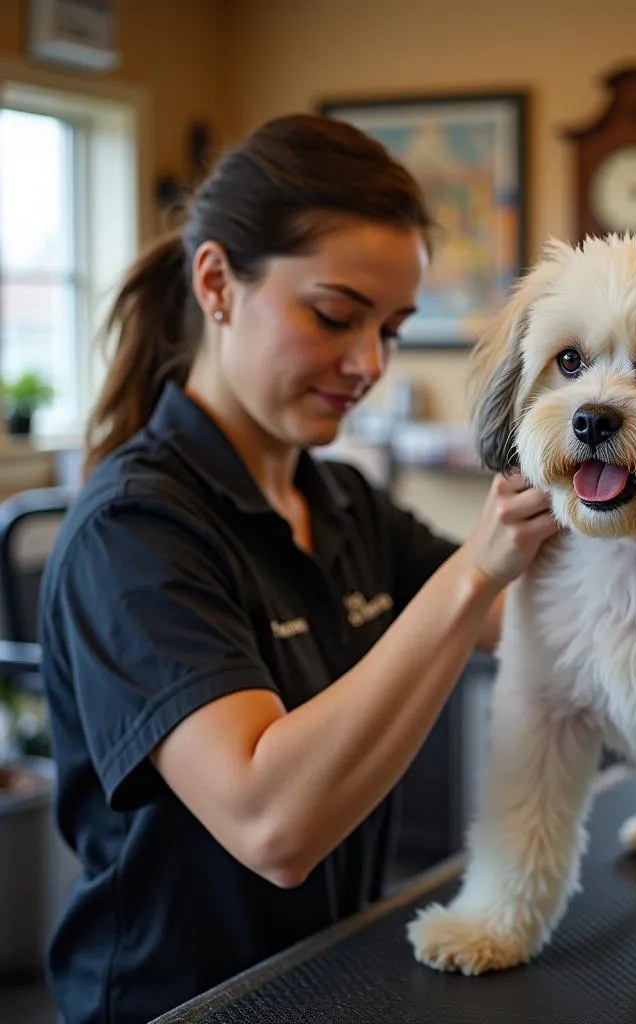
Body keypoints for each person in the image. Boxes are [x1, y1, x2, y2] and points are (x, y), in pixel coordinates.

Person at [37, 112, 558, 1024]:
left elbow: (542, 633)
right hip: (179, 1005)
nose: (368, 364)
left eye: (391, 329)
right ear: (217, 284)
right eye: (334, 315)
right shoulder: (135, 532)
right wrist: (475, 570)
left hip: (330, 981)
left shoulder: (345, 503)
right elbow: (272, 824)